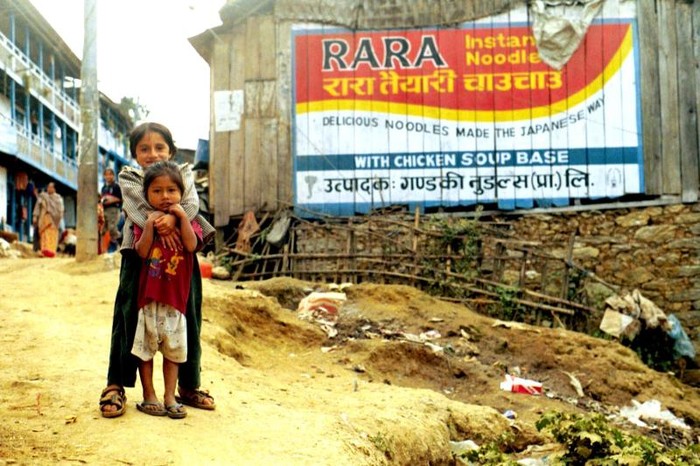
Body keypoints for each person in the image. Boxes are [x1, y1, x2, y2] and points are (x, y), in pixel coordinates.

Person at [99, 122, 216, 418]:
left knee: (188, 316)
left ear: (171, 151)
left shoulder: (184, 173)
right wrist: (164, 222)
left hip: (181, 259)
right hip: (139, 255)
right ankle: (115, 384)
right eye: (144, 149)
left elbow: (190, 203)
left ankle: (188, 386)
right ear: (135, 154)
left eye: (159, 147)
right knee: (127, 316)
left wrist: (176, 219)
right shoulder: (129, 176)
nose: (152, 154)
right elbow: (137, 207)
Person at [131, 161, 205, 418]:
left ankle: (169, 396)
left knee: (173, 351)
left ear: (182, 193)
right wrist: (149, 225)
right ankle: (149, 394)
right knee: (145, 349)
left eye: (171, 190)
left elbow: (191, 245)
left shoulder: (189, 221)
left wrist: (182, 217)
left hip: (175, 301)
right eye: (157, 191)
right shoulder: (144, 221)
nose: (165, 196)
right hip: (149, 299)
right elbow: (142, 252)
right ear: (146, 195)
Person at [31, 182, 64, 257]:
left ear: (54, 189)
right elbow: (37, 207)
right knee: (43, 236)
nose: (48, 188)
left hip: (54, 222)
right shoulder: (43, 196)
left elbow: (60, 211)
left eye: (50, 187)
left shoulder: (58, 199)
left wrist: (55, 217)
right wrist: (35, 216)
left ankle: (51, 252)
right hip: (43, 219)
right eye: (48, 187)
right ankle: (41, 251)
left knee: (53, 236)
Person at [100, 167, 123, 253]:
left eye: (110, 174)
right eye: (106, 175)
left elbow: (121, 198)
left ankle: (122, 244)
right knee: (103, 230)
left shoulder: (116, 186)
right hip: (105, 210)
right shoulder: (104, 188)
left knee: (112, 228)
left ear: (113, 176)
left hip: (113, 210)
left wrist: (111, 199)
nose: (108, 176)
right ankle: (103, 250)